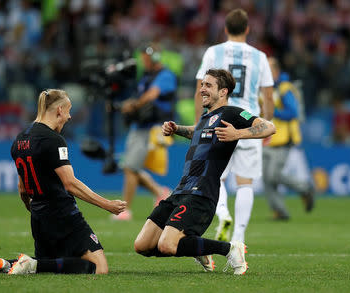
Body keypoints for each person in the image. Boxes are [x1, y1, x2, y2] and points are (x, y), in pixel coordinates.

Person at [0, 89, 126, 275]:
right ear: (59, 110)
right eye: (68, 110)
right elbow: (70, 184)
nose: (69, 116)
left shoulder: (19, 139)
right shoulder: (54, 140)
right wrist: (107, 205)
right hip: (63, 214)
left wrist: (36, 211)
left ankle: (4, 264)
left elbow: (22, 188)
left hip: (39, 217)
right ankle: (32, 265)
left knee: (49, 264)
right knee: (98, 268)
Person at [134, 69, 275, 274]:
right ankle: (197, 247)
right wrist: (177, 129)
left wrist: (238, 133)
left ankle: (230, 248)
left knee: (167, 245)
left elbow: (269, 127)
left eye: (208, 85)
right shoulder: (206, 117)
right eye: (202, 85)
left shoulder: (233, 113)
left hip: (201, 193)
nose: (202, 89)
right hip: (181, 190)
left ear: (223, 92)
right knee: (142, 245)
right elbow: (197, 131)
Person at [194, 8, 274, 243]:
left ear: (226, 29)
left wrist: (201, 120)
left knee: (214, 177)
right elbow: (268, 96)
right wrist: (266, 125)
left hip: (219, 118)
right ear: (248, 30)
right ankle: (238, 237)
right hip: (248, 121)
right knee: (245, 182)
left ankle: (223, 216)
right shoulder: (260, 56)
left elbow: (202, 89)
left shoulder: (213, 52)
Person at [113, 43, 177, 220]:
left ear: (154, 58)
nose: (144, 62)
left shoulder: (165, 75)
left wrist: (133, 105)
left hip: (152, 129)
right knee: (130, 167)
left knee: (130, 167)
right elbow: (143, 96)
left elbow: (151, 95)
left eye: (146, 59)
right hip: (139, 126)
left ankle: (125, 209)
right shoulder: (147, 76)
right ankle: (160, 191)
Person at [263, 57, 314, 220]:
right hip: (265, 137)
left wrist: (271, 112)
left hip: (282, 138)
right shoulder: (265, 88)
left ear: (276, 71)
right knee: (266, 177)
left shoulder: (284, 88)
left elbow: (293, 112)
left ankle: (305, 187)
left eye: (269, 68)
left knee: (272, 176)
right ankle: (280, 211)